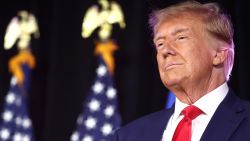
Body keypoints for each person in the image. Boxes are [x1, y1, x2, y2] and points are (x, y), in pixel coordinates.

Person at [111, 1, 250, 141]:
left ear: (219, 54)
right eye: (160, 44)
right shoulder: (127, 136)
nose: (165, 50)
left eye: (181, 38)